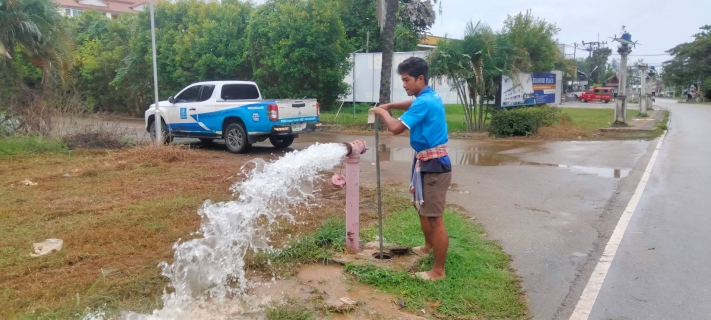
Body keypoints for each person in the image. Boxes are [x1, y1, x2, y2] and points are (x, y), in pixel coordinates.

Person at [369, 57, 452, 281]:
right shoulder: (427, 95)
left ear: (420, 78)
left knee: (435, 218)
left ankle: (438, 271)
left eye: (406, 80)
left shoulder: (424, 102)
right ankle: (428, 246)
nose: (403, 84)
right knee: (421, 207)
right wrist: (391, 105)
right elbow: (411, 105)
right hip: (426, 162)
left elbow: (396, 128)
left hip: (434, 165)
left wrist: (383, 113)